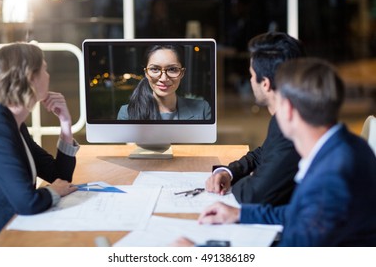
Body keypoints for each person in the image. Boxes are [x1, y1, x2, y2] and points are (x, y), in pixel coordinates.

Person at [180, 58, 376, 246]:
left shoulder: (330, 178)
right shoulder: (349, 145)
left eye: (277, 102)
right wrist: (240, 214)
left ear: (288, 109)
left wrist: (195, 254)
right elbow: (300, 213)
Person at [0, 42, 80, 245]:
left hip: (18, 228)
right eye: (44, 69)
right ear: (31, 78)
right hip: (0, 241)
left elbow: (60, 177)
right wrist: (54, 191)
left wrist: (65, 123)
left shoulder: (14, 125)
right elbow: (27, 203)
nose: (48, 75)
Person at [206, 32, 305, 206]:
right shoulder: (288, 115)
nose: (251, 80)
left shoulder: (293, 129)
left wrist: (251, 179)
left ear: (265, 84)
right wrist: (229, 173)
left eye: (252, 75)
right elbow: (263, 153)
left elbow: (253, 195)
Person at [117, 44, 211, 120]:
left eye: (172, 69)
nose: (163, 78)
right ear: (146, 73)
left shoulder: (202, 109)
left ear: (182, 73)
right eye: (154, 69)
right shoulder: (127, 113)